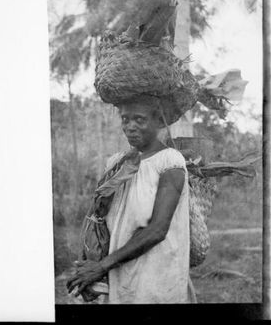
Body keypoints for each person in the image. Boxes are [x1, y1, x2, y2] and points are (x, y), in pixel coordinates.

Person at [67, 95, 197, 303]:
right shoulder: (117, 163)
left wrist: (101, 267)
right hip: (119, 271)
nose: (130, 126)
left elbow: (157, 230)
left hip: (156, 277)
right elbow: (100, 222)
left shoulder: (169, 161)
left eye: (139, 119)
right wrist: (93, 269)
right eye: (125, 119)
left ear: (159, 122)